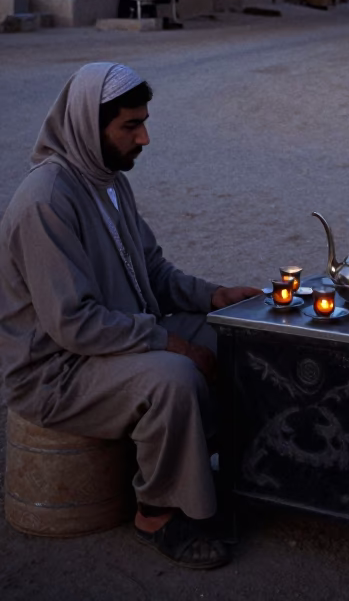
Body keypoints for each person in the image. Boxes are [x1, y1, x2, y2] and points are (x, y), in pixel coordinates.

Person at [0, 61, 260, 570]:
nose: (144, 138)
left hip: (113, 338)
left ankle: (227, 471)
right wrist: (170, 344)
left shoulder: (108, 179)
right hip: (56, 368)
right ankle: (158, 512)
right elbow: (72, 323)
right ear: (86, 126)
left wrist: (216, 298)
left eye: (143, 122)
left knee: (234, 335)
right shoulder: (46, 199)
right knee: (173, 376)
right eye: (129, 126)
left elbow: (153, 273)